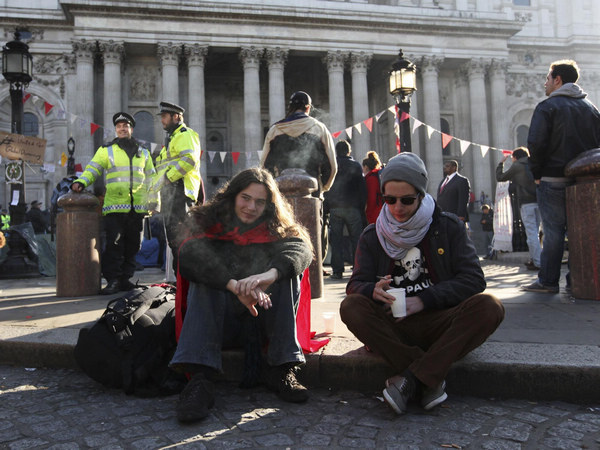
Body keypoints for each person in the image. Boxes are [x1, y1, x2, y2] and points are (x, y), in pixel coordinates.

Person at [339, 152, 504, 415]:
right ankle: (429, 376)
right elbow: (355, 285)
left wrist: (425, 299)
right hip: (393, 324)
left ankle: (410, 380)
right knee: (351, 307)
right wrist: (372, 289)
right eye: (389, 199)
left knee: (490, 306)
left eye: (406, 200)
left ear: (421, 195)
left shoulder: (448, 227)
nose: (397, 208)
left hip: (440, 322)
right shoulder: (372, 235)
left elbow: (473, 279)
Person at [170, 168, 313, 423]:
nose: (251, 207)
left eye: (260, 201)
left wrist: (268, 275)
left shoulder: (276, 228)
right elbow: (189, 255)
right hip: (220, 322)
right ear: (234, 196)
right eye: (246, 198)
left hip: (264, 321)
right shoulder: (210, 222)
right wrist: (233, 285)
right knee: (206, 280)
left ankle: (283, 368)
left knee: (287, 273)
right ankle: (200, 379)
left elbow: (301, 248)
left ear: (269, 205)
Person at [523, 60, 600, 294]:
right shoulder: (591, 108)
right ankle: (578, 279)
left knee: (554, 232)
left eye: (547, 78)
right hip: (584, 183)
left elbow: (536, 144)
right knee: (581, 231)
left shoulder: (548, 107)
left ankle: (548, 281)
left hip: (553, 179)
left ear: (558, 80)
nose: (545, 82)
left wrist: (536, 174)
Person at [72, 112, 157, 294]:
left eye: (125, 126)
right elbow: (93, 168)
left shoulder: (144, 152)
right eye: (119, 126)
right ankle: (113, 280)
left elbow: (152, 178)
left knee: (134, 245)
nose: (122, 129)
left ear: (131, 129)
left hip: (138, 207)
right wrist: (81, 182)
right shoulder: (106, 150)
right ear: (116, 130)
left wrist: (154, 202)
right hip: (115, 206)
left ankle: (125, 278)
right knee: (114, 245)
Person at [261, 91, 337, 261]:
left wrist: (273, 190)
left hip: (281, 191)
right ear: (308, 108)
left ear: (290, 107)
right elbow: (332, 166)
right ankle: (314, 271)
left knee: (284, 232)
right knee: (314, 233)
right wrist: (322, 187)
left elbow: (264, 167)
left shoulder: (275, 129)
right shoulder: (319, 128)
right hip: (312, 190)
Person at [153, 101, 203, 276]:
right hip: (171, 194)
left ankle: (187, 281)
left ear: (177, 117)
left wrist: (168, 178)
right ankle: (181, 281)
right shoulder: (171, 140)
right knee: (174, 241)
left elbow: (190, 160)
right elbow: (161, 169)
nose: (162, 121)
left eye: (165, 117)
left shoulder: (185, 134)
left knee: (182, 239)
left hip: (181, 192)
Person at [324, 140, 366, 279]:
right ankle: (358, 269)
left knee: (336, 241)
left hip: (336, 207)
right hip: (352, 207)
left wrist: (328, 206)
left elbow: (327, 187)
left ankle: (337, 271)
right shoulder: (355, 165)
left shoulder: (332, 165)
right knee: (357, 240)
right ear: (349, 151)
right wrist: (361, 207)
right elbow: (362, 189)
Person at [496, 147, 541, 270]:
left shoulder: (517, 166)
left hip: (526, 203)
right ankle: (536, 259)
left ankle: (538, 262)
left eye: (512, 158)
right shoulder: (535, 162)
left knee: (532, 234)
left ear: (515, 157)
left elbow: (500, 177)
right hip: (540, 201)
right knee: (539, 233)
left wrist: (501, 163)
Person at [362, 151, 384, 224]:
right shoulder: (377, 176)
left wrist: (368, 213)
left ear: (366, 167)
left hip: (375, 214)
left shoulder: (370, 179)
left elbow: (372, 198)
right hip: (381, 210)